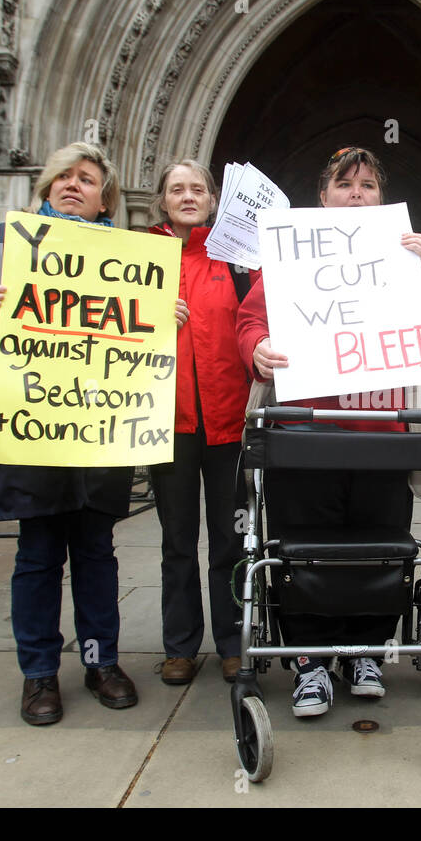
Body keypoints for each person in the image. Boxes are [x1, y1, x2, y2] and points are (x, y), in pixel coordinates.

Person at [236, 146, 421, 716]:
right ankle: (310, 662)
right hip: (305, 434)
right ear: (324, 195)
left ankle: (366, 649)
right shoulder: (289, 252)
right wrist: (256, 348)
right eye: (345, 184)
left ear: (381, 198)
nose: (356, 193)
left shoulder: (407, 256)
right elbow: (252, 318)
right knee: (303, 551)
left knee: (380, 549)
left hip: (381, 434)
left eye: (367, 185)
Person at [0, 141, 138, 725]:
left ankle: (102, 664)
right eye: (63, 177)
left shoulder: (129, 259)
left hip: (101, 426)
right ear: (46, 186)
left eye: (87, 179)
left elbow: (143, 329)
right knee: (38, 554)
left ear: (106, 201)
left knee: (97, 552)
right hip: (34, 422)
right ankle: (39, 675)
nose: (73, 185)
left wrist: (166, 316)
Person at [147, 159, 252, 686]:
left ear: (213, 199)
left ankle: (232, 642)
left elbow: (258, 322)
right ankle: (180, 647)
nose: (187, 196)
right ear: (162, 200)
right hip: (168, 423)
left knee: (230, 542)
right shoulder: (139, 258)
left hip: (228, 424)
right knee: (177, 541)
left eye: (197, 189)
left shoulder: (236, 259)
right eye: (176, 189)